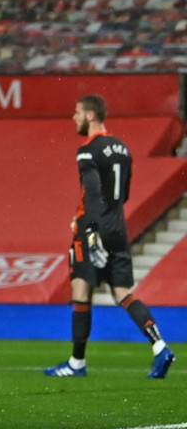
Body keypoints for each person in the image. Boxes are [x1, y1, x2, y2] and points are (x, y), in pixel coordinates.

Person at [44, 95, 176, 379]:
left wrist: (89, 230)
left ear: (91, 115)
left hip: (92, 229)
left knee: (81, 292)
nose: (74, 117)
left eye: (77, 112)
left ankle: (76, 363)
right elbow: (124, 193)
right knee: (124, 293)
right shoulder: (122, 148)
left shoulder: (87, 150)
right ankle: (160, 346)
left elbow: (91, 191)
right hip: (118, 227)